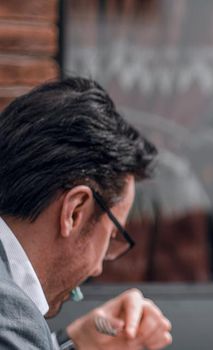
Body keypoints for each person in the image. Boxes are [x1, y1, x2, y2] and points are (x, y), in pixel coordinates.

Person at [0, 77, 173, 349]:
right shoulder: (11, 316)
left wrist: (80, 342)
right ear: (75, 211)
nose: (98, 268)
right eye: (112, 234)